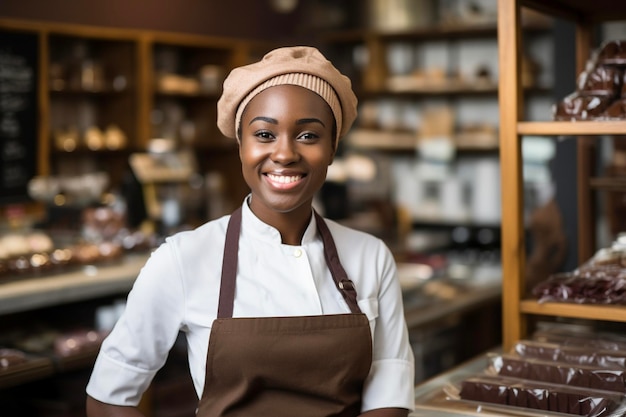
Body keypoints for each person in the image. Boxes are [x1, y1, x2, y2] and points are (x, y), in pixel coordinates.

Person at [86, 46, 415, 417]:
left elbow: (388, 397)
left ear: (333, 147)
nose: (285, 153)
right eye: (264, 134)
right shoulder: (183, 258)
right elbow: (108, 398)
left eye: (308, 136)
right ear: (241, 144)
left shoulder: (370, 256)